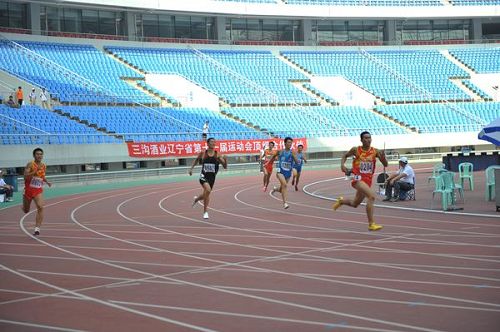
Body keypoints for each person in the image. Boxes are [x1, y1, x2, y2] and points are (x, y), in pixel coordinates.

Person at [333, 131, 388, 231]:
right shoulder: (356, 150)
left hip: (368, 180)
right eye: (366, 138)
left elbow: (385, 164)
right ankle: (371, 224)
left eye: (369, 138)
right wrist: (342, 165)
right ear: (361, 140)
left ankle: (341, 201)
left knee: (355, 204)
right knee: (371, 196)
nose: (368, 140)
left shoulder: (375, 151)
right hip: (357, 178)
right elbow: (344, 156)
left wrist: (383, 158)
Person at [189, 137, 227, 219]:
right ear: (207, 143)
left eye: (214, 142)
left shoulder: (217, 154)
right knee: (208, 190)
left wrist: (225, 160)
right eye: (211, 142)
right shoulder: (203, 153)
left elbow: (225, 166)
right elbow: (196, 160)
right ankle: (205, 212)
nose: (213, 143)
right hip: (203, 176)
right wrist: (191, 169)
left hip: (212, 178)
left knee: (206, 194)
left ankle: (197, 199)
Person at [22, 148, 52, 236]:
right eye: (37, 154)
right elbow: (25, 176)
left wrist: (47, 181)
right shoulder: (30, 164)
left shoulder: (43, 165)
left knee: (40, 207)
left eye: (41, 154)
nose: (39, 156)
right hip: (28, 189)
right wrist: (35, 171)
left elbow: (42, 176)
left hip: (38, 189)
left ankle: (37, 229)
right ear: (34, 155)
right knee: (26, 211)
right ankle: (24, 207)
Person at [270, 137, 299, 209]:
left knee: (282, 188)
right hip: (280, 172)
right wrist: (269, 162)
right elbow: (273, 156)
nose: (290, 144)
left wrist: (293, 155)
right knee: (285, 185)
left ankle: (275, 189)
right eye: (288, 142)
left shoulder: (293, 152)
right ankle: (285, 203)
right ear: (285, 143)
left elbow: (297, 162)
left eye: (291, 142)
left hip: (288, 173)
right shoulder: (280, 151)